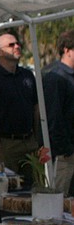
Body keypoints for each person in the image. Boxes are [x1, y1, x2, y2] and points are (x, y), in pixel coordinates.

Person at [0, 32, 40, 189]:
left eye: (18, 43)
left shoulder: (27, 76)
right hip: (6, 144)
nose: (17, 46)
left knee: (34, 187)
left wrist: (38, 138)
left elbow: (36, 108)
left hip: (29, 141)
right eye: (11, 45)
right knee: (9, 188)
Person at [42, 30, 74, 194]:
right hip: (64, 156)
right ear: (67, 50)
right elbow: (53, 118)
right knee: (62, 199)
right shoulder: (56, 77)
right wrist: (65, 151)